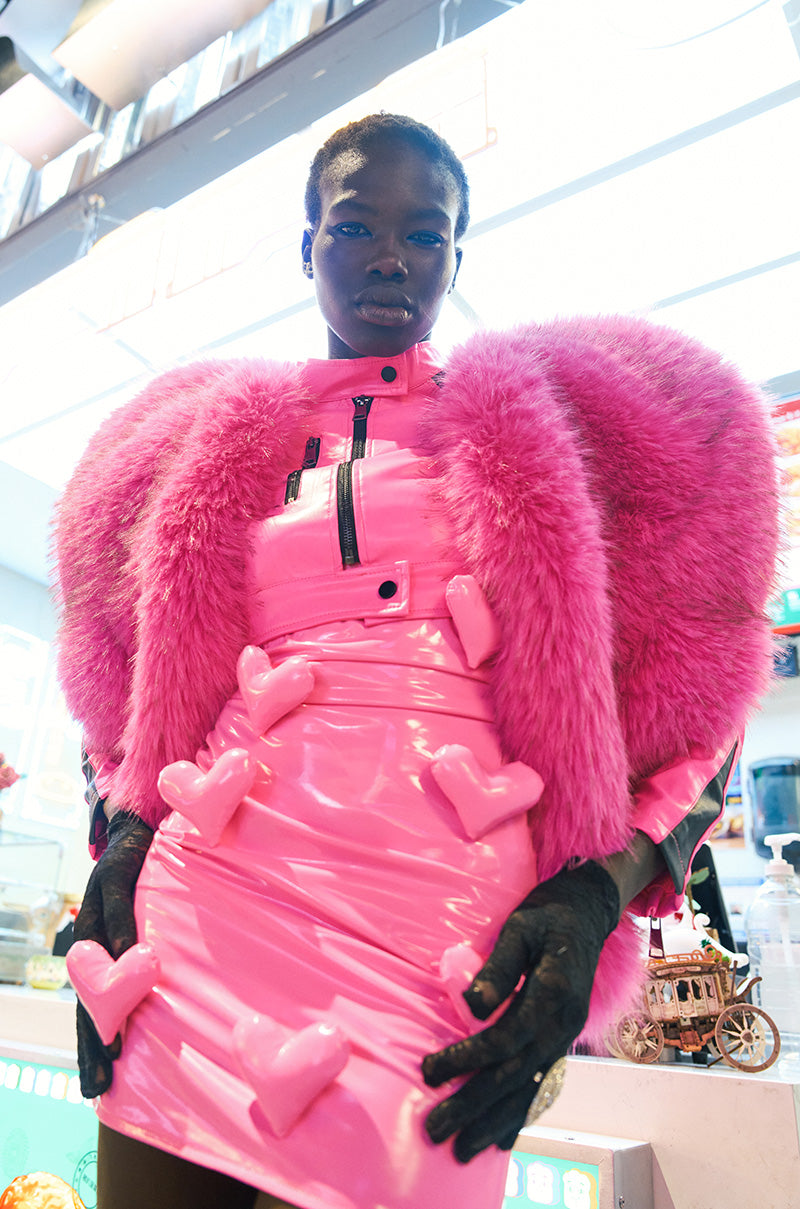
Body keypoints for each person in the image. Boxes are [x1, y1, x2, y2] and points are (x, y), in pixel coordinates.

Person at [53, 114, 779, 1209]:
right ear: (306, 247)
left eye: (424, 233)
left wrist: (596, 893)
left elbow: (701, 689)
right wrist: (120, 848)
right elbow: (139, 694)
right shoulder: (195, 449)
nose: (390, 256)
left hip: (437, 932)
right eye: (354, 226)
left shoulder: (567, 429)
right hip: (206, 900)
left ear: (454, 257)